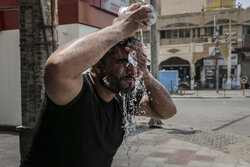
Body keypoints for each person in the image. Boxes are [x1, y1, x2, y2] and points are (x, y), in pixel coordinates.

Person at [20, 3, 177, 167]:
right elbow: (57, 66)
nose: (132, 69)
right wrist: (120, 28)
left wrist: (145, 73)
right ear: (98, 64)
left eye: (134, 62)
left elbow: (167, 111)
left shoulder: (122, 100)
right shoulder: (75, 92)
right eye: (123, 61)